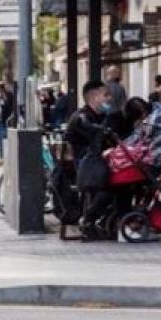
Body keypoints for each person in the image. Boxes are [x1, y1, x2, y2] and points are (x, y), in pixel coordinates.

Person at [66, 80, 119, 239]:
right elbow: (96, 143)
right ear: (95, 97)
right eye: (105, 95)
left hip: (95, 164)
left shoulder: (100, 116)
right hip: (86, 167)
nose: (109, 99)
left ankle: (101, 219)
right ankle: (89, 219)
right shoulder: (82, 118)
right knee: (114, 185)